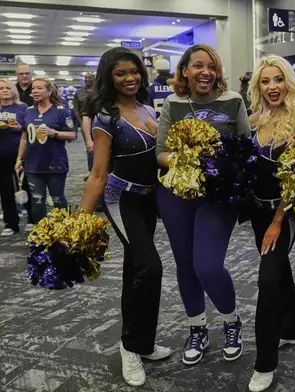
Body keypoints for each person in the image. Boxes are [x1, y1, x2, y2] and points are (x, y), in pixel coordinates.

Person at [80, 47, 170, 387]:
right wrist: (81, 222)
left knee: (138, 269)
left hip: (149, 201)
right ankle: (129, 347)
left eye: (134, 72)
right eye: (121, 74)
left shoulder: (147, 107)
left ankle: (142, 343)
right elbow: (98, 173)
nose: (130, 78)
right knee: (149, 267)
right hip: (122, 199)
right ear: (110, 78)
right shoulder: (107, 117)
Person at [156, 44, 249, 366]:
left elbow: (245, 149)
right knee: (185, 264)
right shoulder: (172, 103)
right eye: (197, 65)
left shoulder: (233, 100)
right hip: (177, 195)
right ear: (184, 71)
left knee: (207, 265)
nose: (205, 72)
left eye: (211, 66)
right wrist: (188, 160)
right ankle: (197, 328)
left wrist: (219, 165)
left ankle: (231, 320)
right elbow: (161, 154)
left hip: (218, 196)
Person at [245, 55, 295, 392]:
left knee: (267, 279)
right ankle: (292, 329)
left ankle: (264, 362)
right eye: (266, 81)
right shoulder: (256, 117)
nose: (273, 87)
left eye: (278, 80)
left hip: (283, 214)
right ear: (258, 86)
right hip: (258, 211)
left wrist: (276, 220)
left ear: (289, 83)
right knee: (279, 271)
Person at [14, 78, 75, 224]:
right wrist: (19, 159)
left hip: (55, 163)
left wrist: (53, 132)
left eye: (40, 88)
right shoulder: (28, 112)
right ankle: (41, 235)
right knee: (37, 200)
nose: (35, 91)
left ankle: (66, 232)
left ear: (49, 91)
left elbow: (72, 135)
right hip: (33, 165)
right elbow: (24, 138)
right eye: (33, 88)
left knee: (58, 199)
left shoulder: (61, 111)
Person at [0, 79, 30, 236]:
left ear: (13, 90)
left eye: (7, 88)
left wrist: (18, 127)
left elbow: (27, 128)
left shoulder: (22, 107)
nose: (4, 90)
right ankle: (11, 223)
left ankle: (31, 219)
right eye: (1, 88)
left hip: (19, 152)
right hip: (1, 153)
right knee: (5, 190)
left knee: (25, 185)